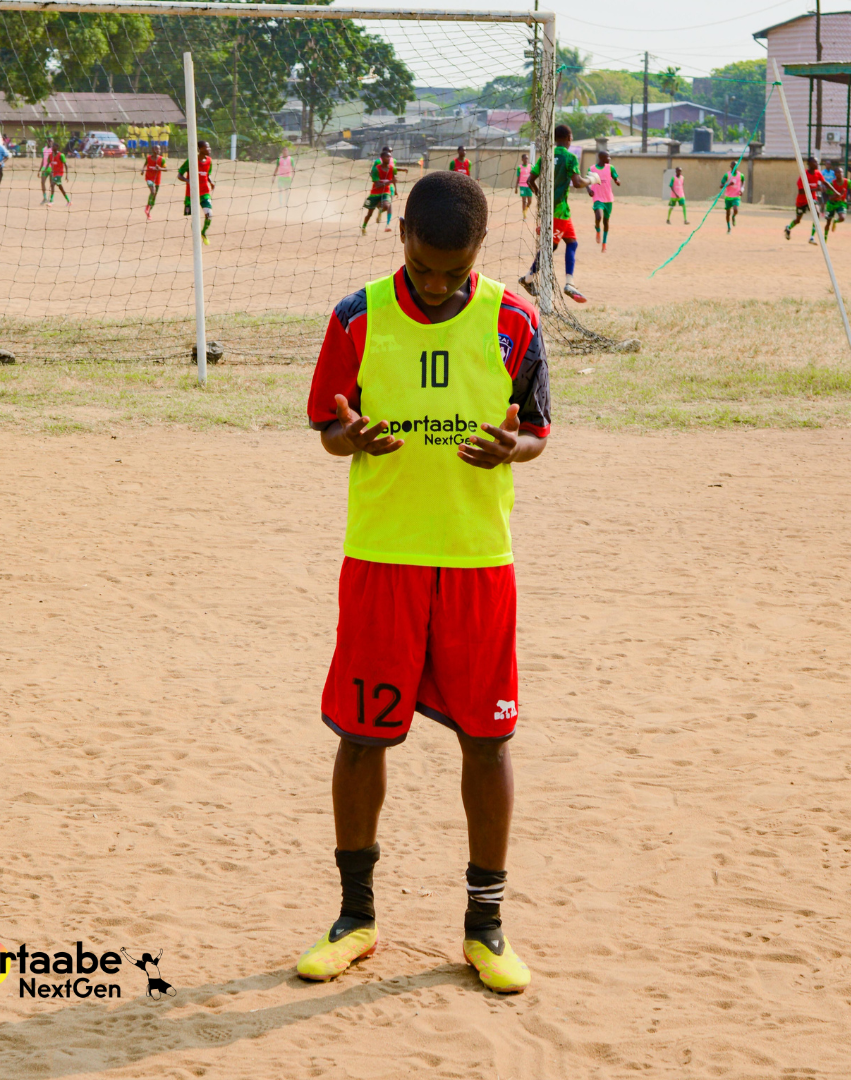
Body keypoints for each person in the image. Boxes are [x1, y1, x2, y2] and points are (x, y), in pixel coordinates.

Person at [299, 169, 550, 995]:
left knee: (488, 741)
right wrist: (354, 439)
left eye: (456, 268)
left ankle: (485, 928)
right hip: (383, 557)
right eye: (425, 264)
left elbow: (537, 433)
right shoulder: (356, 316)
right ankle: (354, 918)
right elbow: (330, 429)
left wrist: (510, 449)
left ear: (483, 248)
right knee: (362, 737)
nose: (438, 284)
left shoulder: (513, 320)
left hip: (478, 562)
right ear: (399, 232)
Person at [520, 123, 591, 303]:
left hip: (560, 211)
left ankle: (570, 282)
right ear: (568, 138)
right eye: (572, 137)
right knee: (550, 247)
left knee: (572, 243)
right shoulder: (570, 158)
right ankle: (528, 278)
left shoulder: (546, 156)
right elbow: (577, 183)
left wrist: (541, 197)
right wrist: (591, 180)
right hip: (558, 210)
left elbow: (530, 180)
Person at [361, 146, 406, 235]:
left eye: (390, 155)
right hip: (375, 193)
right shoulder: (376, 167)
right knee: (369, 213)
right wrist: (390, 181)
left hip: (386, 191)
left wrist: (395, 187)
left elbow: (394, 174)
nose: (389, 158)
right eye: (387, 156)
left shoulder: (392, 167)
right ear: (382, 158)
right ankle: (364, 227)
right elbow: (377, 185)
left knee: (387, 205)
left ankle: (384, 218)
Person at [178, 141, 214, 243]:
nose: (209, 149)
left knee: (209, 214)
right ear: (201, 149)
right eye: (207, 147)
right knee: (194, 218)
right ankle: (196, 237)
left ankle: (203, 232)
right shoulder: (191, 161)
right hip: (191, 194)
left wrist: (211, 182)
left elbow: (207, 174)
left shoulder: (209, 161)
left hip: (204, 192)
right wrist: (188, 181)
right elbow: (179, 175)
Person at [785, 155, 825, 244]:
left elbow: (824, 182)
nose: (817, 163)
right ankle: (788, 227)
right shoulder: (804, 175)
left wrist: (827, 189)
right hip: (802, 201)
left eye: (817, 162)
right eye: (815, 162)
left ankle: (812, 237)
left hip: (812, 199)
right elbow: (801, 191)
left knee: (817, 213)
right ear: (809, 164)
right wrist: (816, 189)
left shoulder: (818, 173)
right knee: (798, 220)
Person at [588, 150, 619, 252]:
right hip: (597, 197)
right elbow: (587, 182)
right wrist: (589, 190)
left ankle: (604, 244)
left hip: (608, 198)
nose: (609, 159)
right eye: (607, 157)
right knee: (598, 216)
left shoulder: (610, 168)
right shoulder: (592, 169)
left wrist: (617, 181)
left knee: (606, 221)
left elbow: (615, 177)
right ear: (601, 158)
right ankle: (597, 229)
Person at [823, 164, 851, 240]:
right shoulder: (832, 184)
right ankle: (825, 237)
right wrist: (838, 195)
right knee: (828, 222)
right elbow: (830, 197)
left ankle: (835, 221)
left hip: (840, 203)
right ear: (835, 174)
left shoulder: (847, 181)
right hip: (831, 204)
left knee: (842, 218)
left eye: (841, 172)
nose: (841, 174)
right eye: (838, 172)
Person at [720, 159, 744, 233]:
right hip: (728, 196)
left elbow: (743, 183)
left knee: (735, 209)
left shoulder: (741, 175)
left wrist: (742, 190)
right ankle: (728, 227)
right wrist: (728, 184)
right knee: (727, 213)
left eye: (736, 165)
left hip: (736, 196)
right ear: (731, 166)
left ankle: (734, 217)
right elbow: (721, 185)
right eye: (733, 165)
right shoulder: (727, 175)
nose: (734, 166)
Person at [143, 144, 166, 219]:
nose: (158, 150)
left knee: (154, 196)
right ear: (153, 150)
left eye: (159, 149)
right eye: (156, 149)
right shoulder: (148, 158)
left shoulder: (162, 159)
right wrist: (143, 169)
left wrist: (160, 168)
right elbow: (145, 164)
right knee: (153, 191)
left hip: (157, 180)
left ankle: (149, 212)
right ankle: (147, 208)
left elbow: (166, 169)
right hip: (149, 178)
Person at [38, 138, 54, 204]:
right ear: (47, 141)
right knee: (42, 182)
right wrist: (39, 170)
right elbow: (43, 160)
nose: (51, 143)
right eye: (50, 141)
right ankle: (44, 198)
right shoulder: (44, 149)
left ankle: (51, 199)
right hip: (44, 168)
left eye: (52, 142)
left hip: (51, 168)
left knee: (52, 184)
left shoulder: (53, 149)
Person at [517, 153, 532, 219]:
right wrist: (516, 187)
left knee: (530, 201)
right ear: (522, 159)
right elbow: (518, 177)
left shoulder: (530, 166)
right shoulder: (519, 167)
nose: (526, 159)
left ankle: (525, 210)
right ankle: (524, 215)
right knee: (524, 200)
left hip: (529, 186)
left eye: (527, 158)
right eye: (525, 158)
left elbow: (532, 176)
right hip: (522, 185)